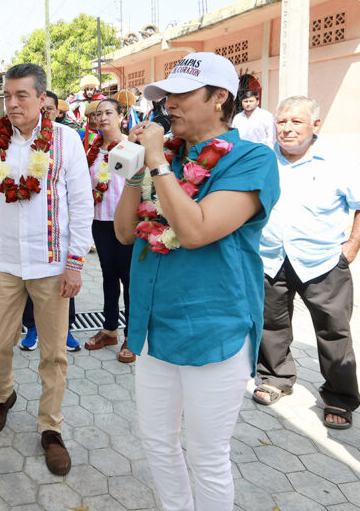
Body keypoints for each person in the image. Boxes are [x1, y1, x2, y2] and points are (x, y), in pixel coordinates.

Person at [114, 52, 279, 510]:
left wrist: (156, 164)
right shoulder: (164, 157)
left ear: (220, 97)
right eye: (165, 97)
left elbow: (195, 231)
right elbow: (125, 233)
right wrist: (136, 167)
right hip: (153, 326)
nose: (169, 106)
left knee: (207, 455)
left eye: (182, 94)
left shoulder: (253, 159)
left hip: (214, 329)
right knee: (157, 443)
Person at [0, 63, 93, 476]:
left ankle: (50, 429)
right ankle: (3, 396)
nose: (13, 103)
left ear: (43, 99)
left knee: (54, 354)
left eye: (22, 95)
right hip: (4, 263)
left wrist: (75, 263)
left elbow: (81, 203)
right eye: (8, 96)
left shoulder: (66, 140)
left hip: (52, 264)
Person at [251, 96, 360, 431]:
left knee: (334, 330)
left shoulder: (338, 161)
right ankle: (275, 378)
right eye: (282, 121)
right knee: (271, 324)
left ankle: (339, 397)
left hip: (322, 261)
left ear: (315, 125)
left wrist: (350, 250)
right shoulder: (263, 158)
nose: (287, 128)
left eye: (296, 122)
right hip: (270, 257)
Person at [20, 89, 80, 353]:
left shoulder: (67, 139)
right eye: (42, 108)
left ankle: (66, 330)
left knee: (64, 286)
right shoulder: (20, 140)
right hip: (29, 234)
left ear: (57, 111)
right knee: (30, 285)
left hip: (60, 232)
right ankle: (32, 328)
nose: (46, 113)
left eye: (50, 109)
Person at [83, 98, 136, 363]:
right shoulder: (92, 150)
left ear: (121, 116)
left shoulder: (131, 146)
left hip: (127, 223)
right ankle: (109, 329)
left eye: (109, 113)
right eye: (98, 114)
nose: (103, 117)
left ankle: (133, 336)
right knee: (108, 276)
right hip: (100, 221)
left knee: (129, 279)